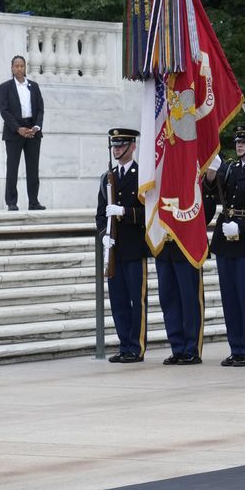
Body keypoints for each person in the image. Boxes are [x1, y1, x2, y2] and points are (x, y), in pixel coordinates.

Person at [205, 129, 245, 366]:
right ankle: (236, 347)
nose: (240, 145)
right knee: (229, 297)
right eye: (238, 141)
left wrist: (243, 228)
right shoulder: (231, 168)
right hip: (225, 239)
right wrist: (211, 176)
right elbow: (213, 193)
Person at [96, 127, 146, 363]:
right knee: (118, 300)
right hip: (114, 248)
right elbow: (100, 215)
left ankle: (137, 346)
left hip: (135, 246)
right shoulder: (108, 178)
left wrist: (125, 212)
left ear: (132, 146)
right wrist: (104, 234)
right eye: (114, 146)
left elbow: (150, 212)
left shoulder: (143, 175)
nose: (116, 150)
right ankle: (124, 344)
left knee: (137, 299)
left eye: (121, 145)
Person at [0, 55, 44, 211]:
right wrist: (18, 129)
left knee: (33, 168)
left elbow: (40, 109)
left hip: (32, 132)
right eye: (16, 66)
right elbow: (4, 111)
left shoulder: (34, 86)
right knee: (12, 168)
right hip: (14, 132)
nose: (19, 69)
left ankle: (34, 201)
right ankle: (11, 202)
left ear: (25, 68)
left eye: (22, 66)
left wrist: (36, 127)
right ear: (12, 68)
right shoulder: (5, 87)